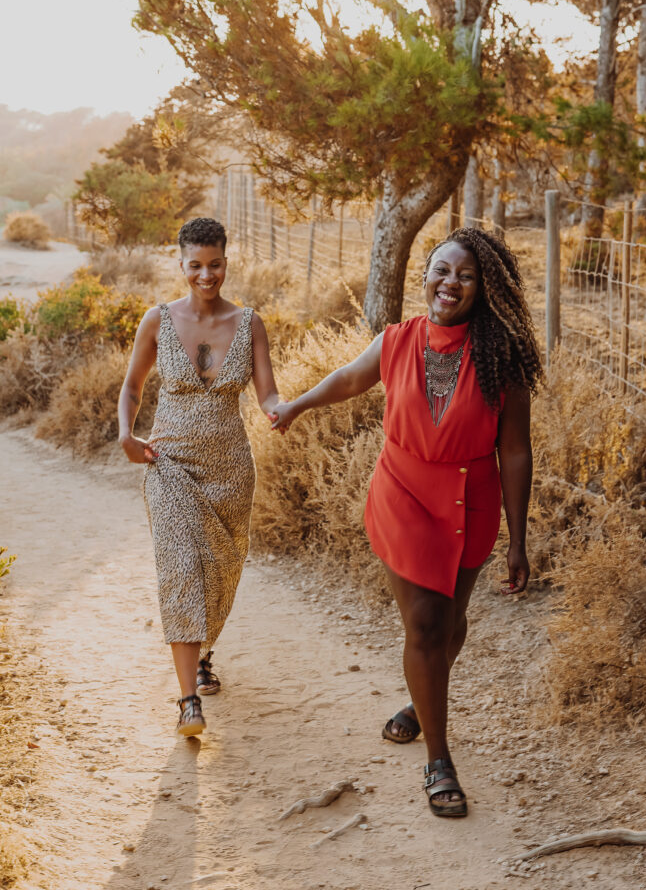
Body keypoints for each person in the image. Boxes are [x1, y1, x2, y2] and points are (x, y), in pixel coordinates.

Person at [270, 227, 543, 818]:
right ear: (426, 274)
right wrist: (296, 405)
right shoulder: (397, 340)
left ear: (485, 287)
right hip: (403, 490)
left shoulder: (503, 357)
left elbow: (515, 451)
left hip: (472, 498)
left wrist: (518, 540)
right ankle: (438, 761)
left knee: (452, 622)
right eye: (442, 270)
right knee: (424, 624)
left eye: (466, 276)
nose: (450, 284)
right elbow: (348, 377)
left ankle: (421, 706)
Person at [118, 217, 281, 737]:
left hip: (230, 471)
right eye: (195, 265)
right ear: (181, 264)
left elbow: (268, 395)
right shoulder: (157, 320)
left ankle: (204, 651)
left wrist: (287, 409)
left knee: (221, 572)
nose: (206, 275)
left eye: (214, 265)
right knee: (182, 571)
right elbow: (132, 389)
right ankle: (188, 700)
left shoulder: (250, 322)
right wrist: (126, 433)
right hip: (167, 465)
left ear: (226, 262)